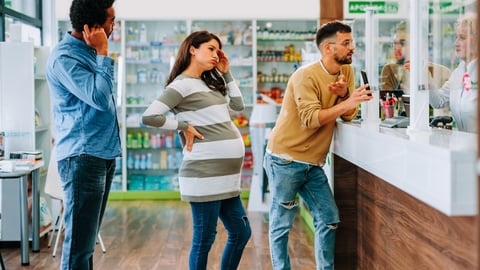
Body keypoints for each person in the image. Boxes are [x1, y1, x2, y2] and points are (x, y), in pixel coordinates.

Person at [263, 21, 373, 270]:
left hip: (313, 164)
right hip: (285, 160)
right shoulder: (305, 76)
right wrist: (347, 101)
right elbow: (310, 119)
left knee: (329, 218)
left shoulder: (347, 72)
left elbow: (348, 115)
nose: (352, 47)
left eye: (351, 42)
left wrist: (345, 96)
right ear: (327, 48)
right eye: (346, 43)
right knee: (282, 224)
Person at [142, 30, 251, 270]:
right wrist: (183, 125)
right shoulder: (180, 85)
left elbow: (238, 105)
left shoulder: (212, 80)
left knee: (241, 233)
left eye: (218, 50)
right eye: (211, 49)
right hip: (204, 174)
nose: (216, 54)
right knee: (204, 240)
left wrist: (227, 72)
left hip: (226, 177)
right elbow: (150, 116)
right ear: (192, 49)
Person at [45, 0, 121, 269]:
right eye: (111, 20)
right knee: (78, 247)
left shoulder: (88, 53)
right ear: (94, 27)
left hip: (101, 153)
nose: (114, 25)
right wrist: (103, 51)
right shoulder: (65, 58)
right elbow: (99, 98)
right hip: (82, 157)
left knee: (85, 246)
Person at [428, 12, 477, 133]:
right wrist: (425, 76)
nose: (456, 43)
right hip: (463, 146)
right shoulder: (458, 73)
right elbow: (438, 102)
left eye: (462, 38)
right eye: (456, 37)